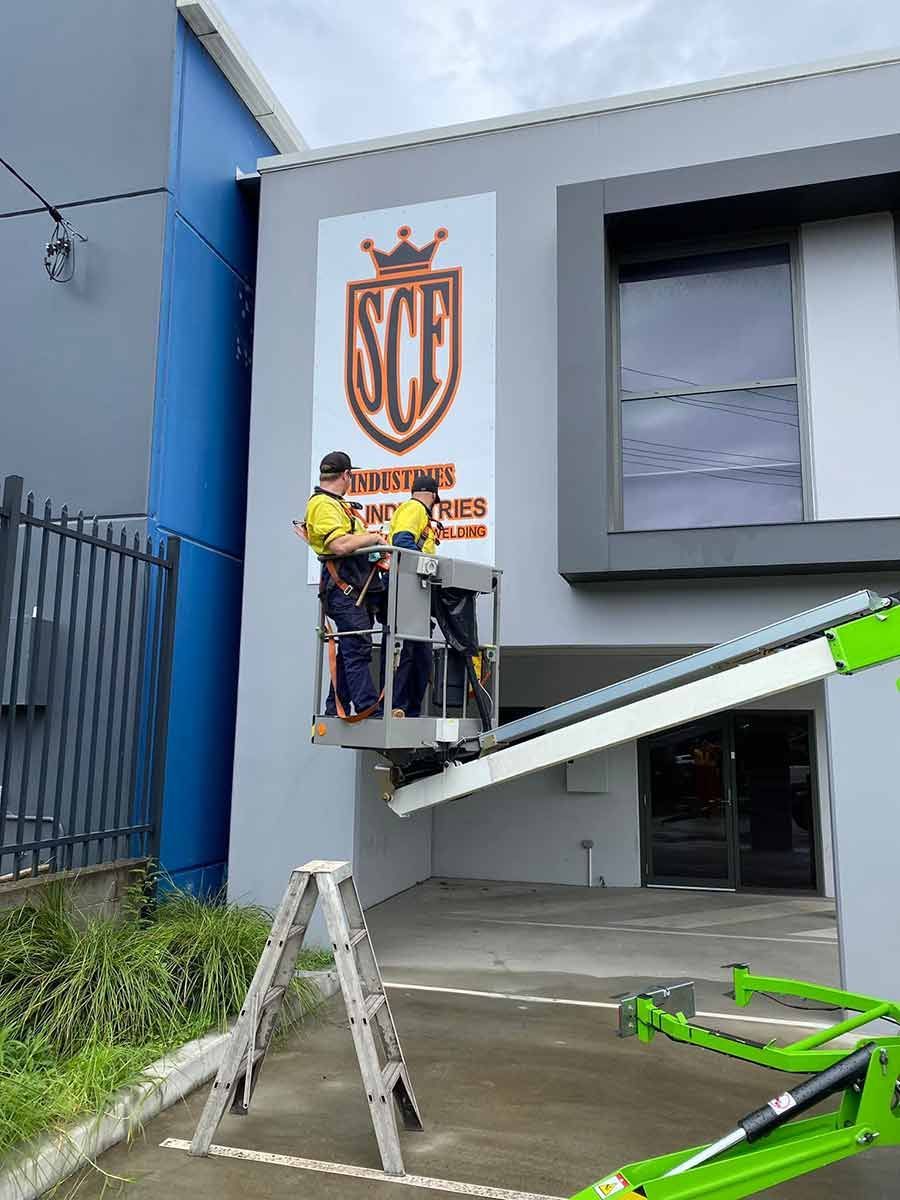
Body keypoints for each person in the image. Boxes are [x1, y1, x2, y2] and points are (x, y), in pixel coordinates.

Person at [298, 451, 385, 718]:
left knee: (351, 647)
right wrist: (373, 538)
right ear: (346, 475)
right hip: (344, 590)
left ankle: (334, 706)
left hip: (354, 589)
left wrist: (374, 543)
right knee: (356, 647)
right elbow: (339, 545)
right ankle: (368, 708)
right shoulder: (323, 505)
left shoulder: (337, 505)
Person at [388, 473, 442, 717]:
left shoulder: (413, 509)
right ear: (433, 495)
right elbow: (402, 541)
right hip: (406, 589)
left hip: (414, 594)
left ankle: (408, 709)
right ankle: (398, 707)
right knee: (410, 653)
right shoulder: (415, 508)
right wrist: (429, 567)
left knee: (420, 656)